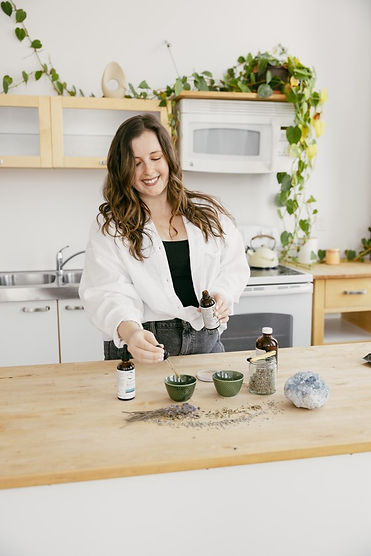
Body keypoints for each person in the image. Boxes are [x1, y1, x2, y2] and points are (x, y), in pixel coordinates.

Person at [79, 114, 250, 363]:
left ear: (169, 158)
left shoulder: (208, 214)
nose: (148, 170)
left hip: (206, 343)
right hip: (143, 346)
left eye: (155, 158)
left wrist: (222, 295)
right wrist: (132, 333)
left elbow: (233, 267)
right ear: (122, 169)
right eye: (136, 163)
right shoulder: (111, 226)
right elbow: (107, 291)